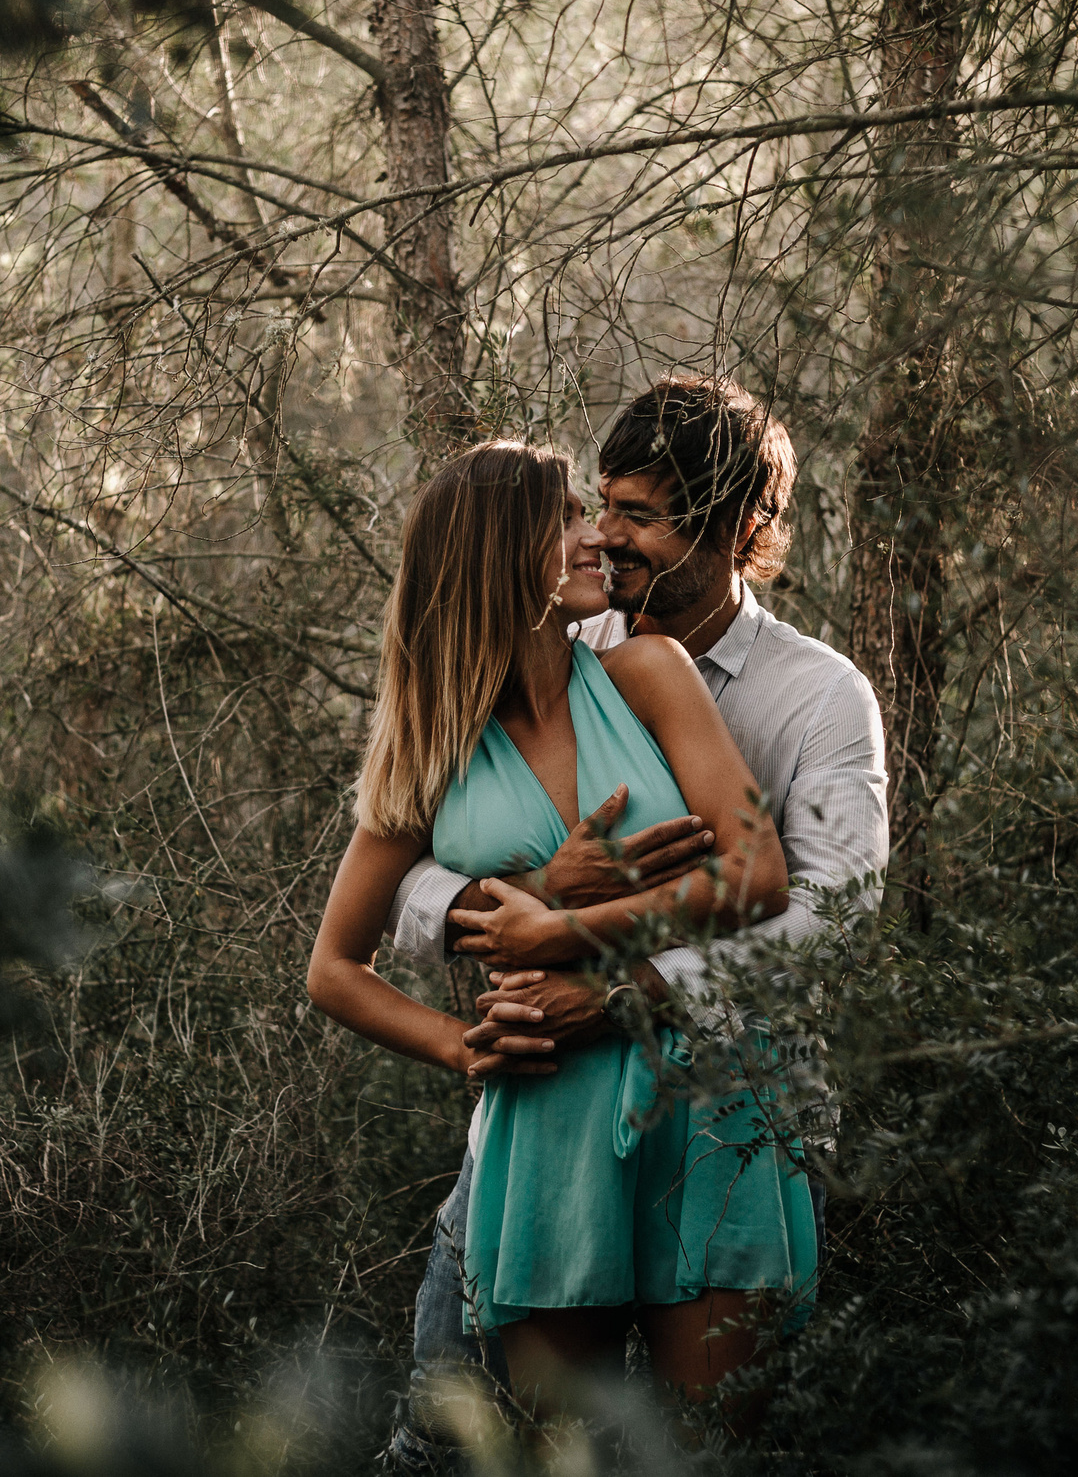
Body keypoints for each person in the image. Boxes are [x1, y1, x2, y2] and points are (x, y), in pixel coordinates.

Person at [373, 377, 890, 1468]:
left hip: (730, 1113)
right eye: (601, 505)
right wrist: (501, 897)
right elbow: (406, 852)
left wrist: (619, 989)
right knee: (451, 1437)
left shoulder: (819, 698)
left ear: (738, 529)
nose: (606, 535)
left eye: (640, 515)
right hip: (545, 1114)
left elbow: (833, 918)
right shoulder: (553, 631)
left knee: (706, 1451)